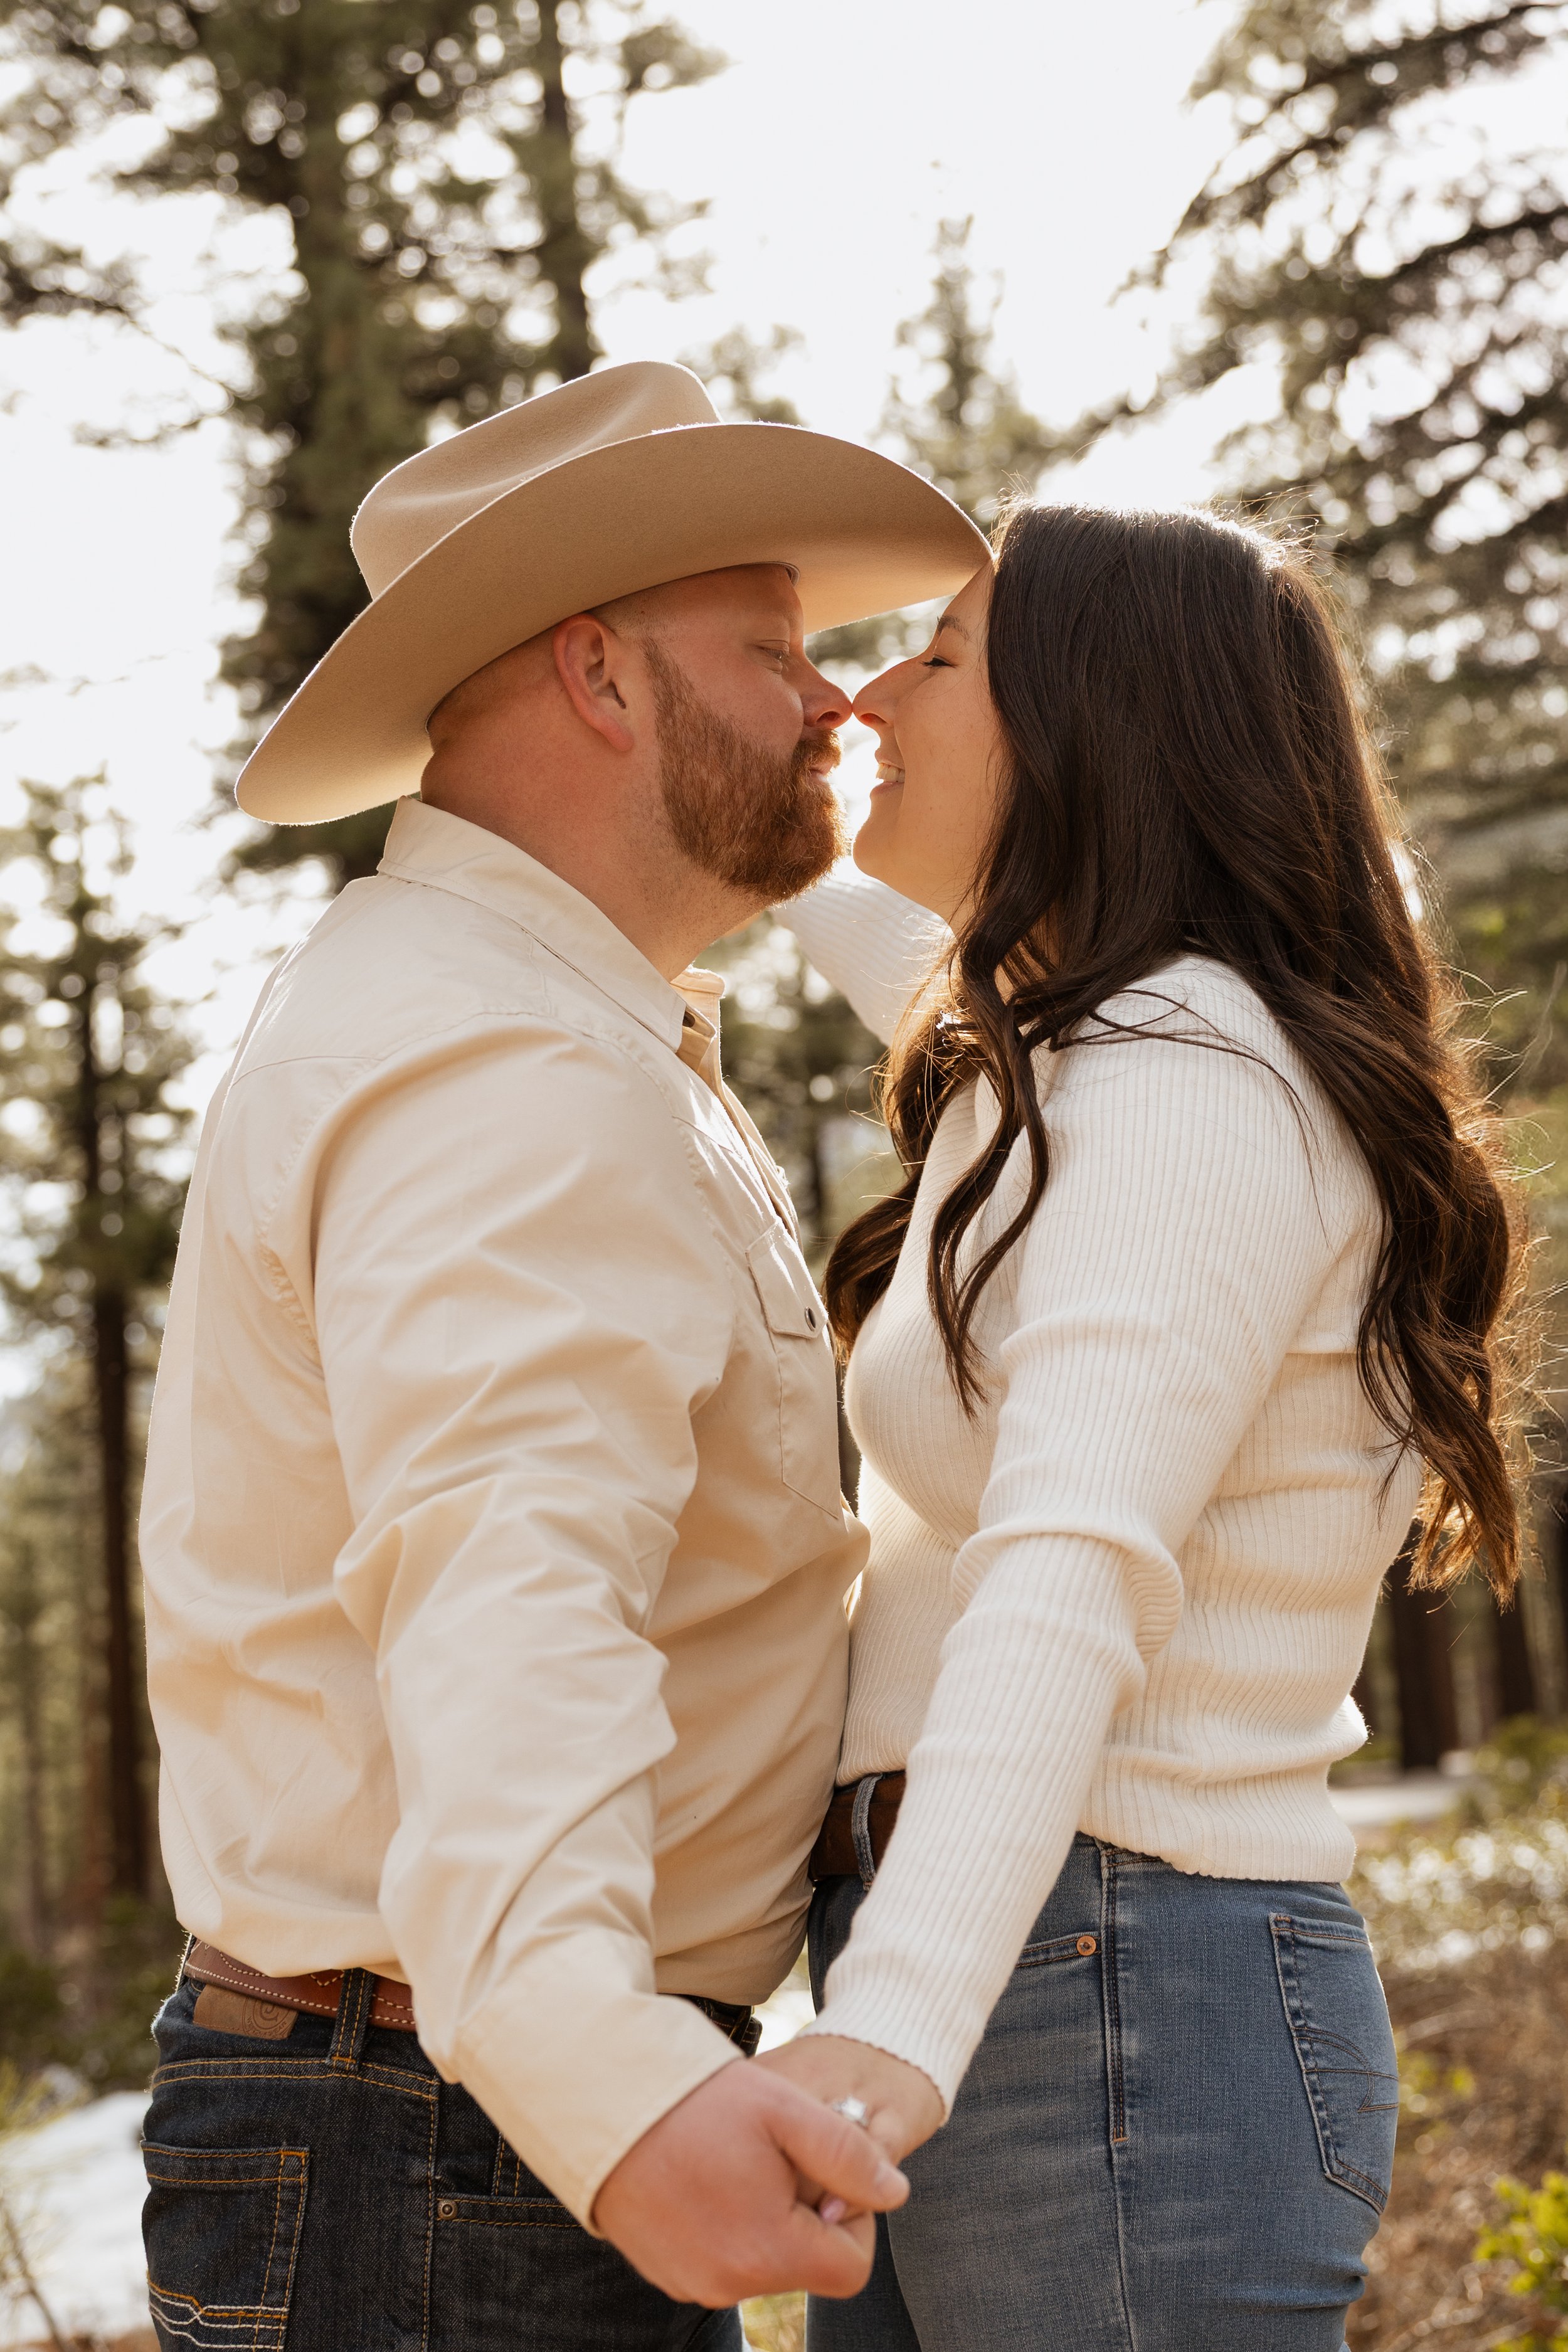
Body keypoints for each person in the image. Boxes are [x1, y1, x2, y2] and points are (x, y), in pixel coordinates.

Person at [137, 359, 987, 2349]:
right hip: (451, 2143)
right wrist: (610, 2087)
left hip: (446, 2118)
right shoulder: (506, 1064)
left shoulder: (530, 1019)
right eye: (776, 648)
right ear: (601, 676)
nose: (835, 701)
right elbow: (509, 1581)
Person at [764, 502, 1525, 2351]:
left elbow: (1072, 1569)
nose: (867, 692)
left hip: (1102, 1985)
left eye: (934, 657)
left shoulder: (1185, 1086)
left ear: (1083, 724)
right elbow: (891, 951)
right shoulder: (1085, 1044)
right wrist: (719, 807)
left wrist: (886, 2038)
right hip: (1025, 1961)